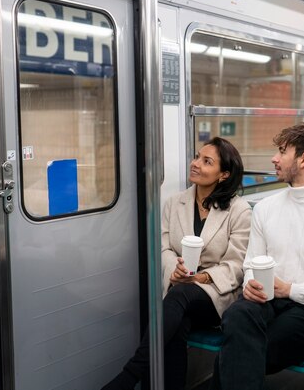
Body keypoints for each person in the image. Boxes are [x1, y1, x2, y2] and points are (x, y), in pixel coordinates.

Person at [209, 122, 304, 390]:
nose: (274, 158)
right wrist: (250, 284)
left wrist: (291, 290)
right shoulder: (266, 209)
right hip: (266, 300)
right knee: (237, 315)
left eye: (282, 151)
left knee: (239, 352)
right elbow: (250, 265)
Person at [103, 137, 251, 390]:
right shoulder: (174, 203)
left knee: (178, 297)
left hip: (216, 295)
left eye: (207, 162)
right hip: (180, 289)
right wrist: (176, 271)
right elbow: (163, 248)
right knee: (176, 324)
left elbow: (237, 265)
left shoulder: (239, 210)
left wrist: (199, 278)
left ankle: (128, 377)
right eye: (196, 157)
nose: (195, 164)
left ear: (224, 174)